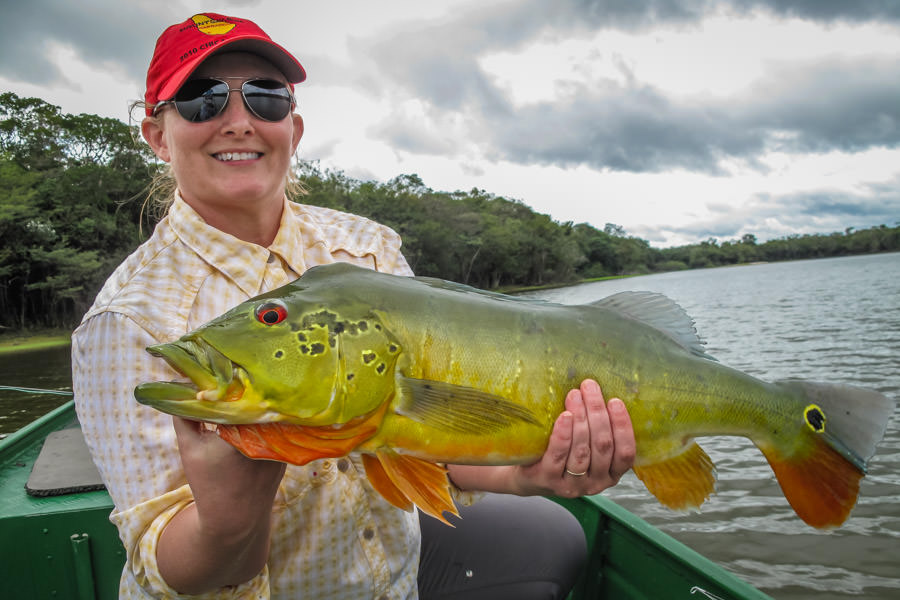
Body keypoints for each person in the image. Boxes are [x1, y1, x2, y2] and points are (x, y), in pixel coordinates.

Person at [72, 12, 636, 600]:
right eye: (200, 99)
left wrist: (524, 471)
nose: (237, 121)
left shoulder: (366, 249)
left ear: (293, 127)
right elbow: (166, 569)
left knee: (547, 528)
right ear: (158, 135)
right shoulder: (125, 320)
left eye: (266, 97)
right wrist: (227, 516)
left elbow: (419, 435)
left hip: (394, 583)